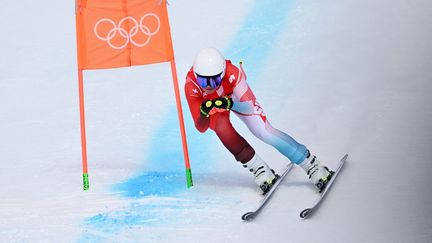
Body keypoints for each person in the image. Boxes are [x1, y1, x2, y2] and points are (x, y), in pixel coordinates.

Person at [184, 47, 333, 194]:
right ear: (196, 75)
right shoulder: (191, 86)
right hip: (215, 106)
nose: (209, 86)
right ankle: (259, 168)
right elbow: (201, 127)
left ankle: (311, 164)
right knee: (222, 129)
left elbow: (248, 108)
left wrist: (230, 104)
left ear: (222, 73)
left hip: (235, 99)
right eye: (203, 81)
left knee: (263, 131)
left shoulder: (233, 74)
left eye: (215, 80)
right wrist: (204, 113)